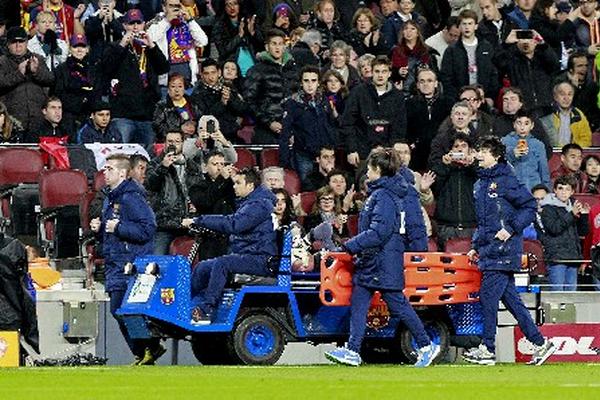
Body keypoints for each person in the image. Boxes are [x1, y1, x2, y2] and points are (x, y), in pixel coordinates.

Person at [324, 147, 439, 367]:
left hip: (383, 260)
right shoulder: (381, 193)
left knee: (397, 305)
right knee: (359, 302)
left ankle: (426, 345)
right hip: (373, 260)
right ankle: (353, 350)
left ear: (378, 170)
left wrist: (349, 246)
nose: (366, 172)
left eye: (369, 167)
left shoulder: (384, 196)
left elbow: (379, 233)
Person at [464, 136, 556, 366]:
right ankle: (540, 343)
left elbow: (529, 206)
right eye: (479, 150)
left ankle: (487, 348)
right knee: (512, 301)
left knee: (487, 297)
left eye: (484, 151)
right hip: (490, 249)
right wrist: (476, 245)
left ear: (495, 156)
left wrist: (511, 228)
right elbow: (484, 221)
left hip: (504, 250)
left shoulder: (506, 179)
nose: (479, 155)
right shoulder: (480, 184)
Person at [89, 153, 163, 365]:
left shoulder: (132, 197)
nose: (105, 172)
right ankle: (145, 351)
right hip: (115, 262)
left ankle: (149, 349)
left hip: (130, 263)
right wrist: (100, 228)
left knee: (124, 310)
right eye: (105, 169)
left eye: (110, 169)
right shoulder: (110, 198)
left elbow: (148, 229)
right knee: (118, 310)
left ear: (122, 173)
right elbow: (111, 230)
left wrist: (119, 227)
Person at [182, 168, 278, 324]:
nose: (234, 187)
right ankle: (184, 304)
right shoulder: (248, 203)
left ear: (250, 186)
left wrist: (199, 220)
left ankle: (207, 310)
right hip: (248, 255)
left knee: (223, 263)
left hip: (261, 259)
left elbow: (234, 224)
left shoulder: (260, 205)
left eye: (238, 183)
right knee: (203, 267)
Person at [101, 9, 170, 148]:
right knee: (122, 154)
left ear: (144, 24)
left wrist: (151, 45)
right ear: (125, 26)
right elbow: (106, 69)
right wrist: (122, 45)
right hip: (123, 114)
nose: (135, 26)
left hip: (147, 115)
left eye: (138, 23)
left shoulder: (149, 47)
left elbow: (164, 68)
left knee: (147, 156)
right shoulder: (115, 46)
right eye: (131, 23)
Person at [341, 56, 406, 175]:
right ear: (372, 72)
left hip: (387, 155)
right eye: (377, 71)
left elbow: (399, 127)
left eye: (384, 71)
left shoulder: (398, 97)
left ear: (389, 73)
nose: (380, 75)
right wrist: (352, 149)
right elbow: (348, 123)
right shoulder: (358, 92)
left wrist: (388, 150)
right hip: (361, 153)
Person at [145, 130, 204, 255]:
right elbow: (150, 185)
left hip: (188, 221)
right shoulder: (155, 163)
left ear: (183, 143)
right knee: (157, 260)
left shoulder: (193, 166)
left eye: (177, 141)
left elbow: (200, 190)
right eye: (170, 141)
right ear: (165, 144)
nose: (173, 144)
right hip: (164, 223)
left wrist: (196, 203)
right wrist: (163, 167)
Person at [279, 65, 337, 183]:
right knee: (307, 186)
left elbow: (331, 125)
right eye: (306, 81)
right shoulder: (292, 103)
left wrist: (331, 145)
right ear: (301, 82)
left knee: (327, 185)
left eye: (313, 80)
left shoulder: (324, 101)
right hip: (303, 154)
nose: (310, 84)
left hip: (324, 154)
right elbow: (284, 134)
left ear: (319, 83)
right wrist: (284, 162)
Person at [244, 28, 299, 144]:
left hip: (292, 129)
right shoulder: (256, 71)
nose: (277, 47)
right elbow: (249, 102)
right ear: (267, 47)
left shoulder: (293, 70)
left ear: (285, 46)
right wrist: (269, 122)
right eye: (274, 44)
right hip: (265, 131)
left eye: (280, 44)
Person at [538, 175, 589, 291]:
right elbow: (554, 229)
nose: (563, 192)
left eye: (567, 189)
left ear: (572, 192)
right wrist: (571, 214)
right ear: (555, 190)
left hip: (572, 258)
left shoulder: (574, 207)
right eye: (560, 188)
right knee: (557, 297)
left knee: (570, 298)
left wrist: (584, 215)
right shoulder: (548, 209)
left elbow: (583, 232)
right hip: (557, 259)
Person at [0, 26, 54, 133]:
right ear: (7, 44)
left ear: (27, 42)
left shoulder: (37, 58)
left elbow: (50, 79)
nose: (18, 45)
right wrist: (19, 73)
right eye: (14, 42)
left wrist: (36, 72)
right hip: (12, 119)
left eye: (21, 41)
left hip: (38, 117)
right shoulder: (2, 62)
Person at [429, 132, 478, 249]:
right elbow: (435, 189)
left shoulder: (478, 168)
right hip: (446, 227)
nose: (460, 149)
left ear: (470, 150)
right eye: (456, 146)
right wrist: (446, 165)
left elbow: (485, 181)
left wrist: (471, 164)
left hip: (472, 226)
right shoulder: (441, 167)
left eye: (464, 146)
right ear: (450, 151)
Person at [146, 0, 208, 90]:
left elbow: (203, 41)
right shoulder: (157, 20)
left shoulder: (186, 21)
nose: (175, 9)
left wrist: (190, 20)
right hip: (166, 77)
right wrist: (167, 20)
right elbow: (151, 39)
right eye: (171, 6)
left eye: (177, 6)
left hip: (187, 75)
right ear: (164, 7)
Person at [439, 10, 498, 102]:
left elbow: (493, 73)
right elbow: (446, 77)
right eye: (464, 24)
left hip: (483, 98)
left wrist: (490, 96)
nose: (467, 27)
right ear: (459, 27)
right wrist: (455, 97)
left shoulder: (486, 47)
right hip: (459, 99)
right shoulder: (451, 50)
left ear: (476, 26)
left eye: (470, 23)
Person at [188, 150, 236, 260]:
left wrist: (235, 181)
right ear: (205, 167)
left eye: (222, 164)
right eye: (215, 164)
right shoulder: (197, 187)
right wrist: (221, 180)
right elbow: (206, 201)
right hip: (210, 240)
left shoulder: (231, 185)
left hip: (230, 237)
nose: (220, 168)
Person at [406, 67, 453, 171]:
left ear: (436, 83)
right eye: (422, 81)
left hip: (441, 152)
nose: (426, 84)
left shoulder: (448, 104)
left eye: (429, 81)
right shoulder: (408, 104)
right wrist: (411, 143)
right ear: (417, 85)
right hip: (416, 154)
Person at [190, 58, 247, 144]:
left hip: (232, 135)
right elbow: (204, 117)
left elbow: (243, 109)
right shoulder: (197, 94)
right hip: (211, 138)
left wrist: (231, 99)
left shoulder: (228, 88)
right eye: (206, 73)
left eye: (213, 72)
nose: (210, 77)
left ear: (219, 72)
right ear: (201, 75)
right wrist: (222, 103)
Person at [52, 33, 99, 135]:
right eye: (75, 46)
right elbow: (58, 94)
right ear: (70, 49)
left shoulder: (94, 69)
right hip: (68, 117)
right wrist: (80, 101)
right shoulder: (61, 69)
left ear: (87, 49)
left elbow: (97, 92)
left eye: (82, 46)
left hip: (90, 116)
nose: (79, 50)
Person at [501, 109, 550, 191]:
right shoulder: (505, 141)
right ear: (514, 125)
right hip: (511, 187)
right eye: (519, 123)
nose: (522, 127)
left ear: (532, 126)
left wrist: (546, 191)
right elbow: (499, 164)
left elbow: (543, 171)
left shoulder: (538, 145)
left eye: (526, 123)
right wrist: (512, 154)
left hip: (533, 187)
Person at [540, 82, 592, 148]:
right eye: (562, 94)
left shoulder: (578, 114)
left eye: (570, 94)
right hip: (552, 153)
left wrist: (572, 148)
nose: (566, 98)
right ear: (555, 97)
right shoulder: (547, 114)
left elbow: (586, 139)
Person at [153, 73, 201, 142]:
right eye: (173, 86)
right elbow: (158, 128)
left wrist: (195, 126)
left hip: (194, 140)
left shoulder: (194, 103)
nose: (176, 90)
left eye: (180, 86)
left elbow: (201, 120)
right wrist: (179, 129)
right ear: (168, 89)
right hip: (172, 142)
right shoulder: (162, 106)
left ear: (184, 88)